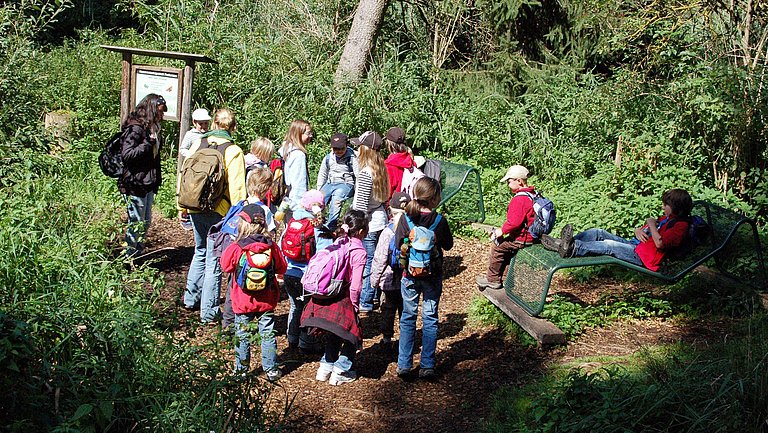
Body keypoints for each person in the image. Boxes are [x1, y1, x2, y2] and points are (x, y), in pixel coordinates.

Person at [182, 108, 247, 324]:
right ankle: (208, 311)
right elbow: (237, 189)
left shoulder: (197, 144)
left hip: (193, 206)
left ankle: (191, 299)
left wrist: (181, 205)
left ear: (214, 125)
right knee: (215, 260)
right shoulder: (233, 151)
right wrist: (240, 215)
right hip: (218, 210)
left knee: (199, 251)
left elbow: (184, 176)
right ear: (233, 127)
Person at [542, 189, 693, 271]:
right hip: (635, 246)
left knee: (609, 245)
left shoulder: (680, 226)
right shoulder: (667, 219)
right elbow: (644, 232)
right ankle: (563, 243)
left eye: (665, 205)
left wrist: (651, 224)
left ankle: (572, 248)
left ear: (675, 207)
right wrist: (638, 231)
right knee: (597, 232)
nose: (662, 207)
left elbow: (660, 243)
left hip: (642, 257)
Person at [393, 177, 453, 379]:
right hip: (432, 275)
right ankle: (427, 365)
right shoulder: (439, 220)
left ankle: (404, 364)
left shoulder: (406, 219)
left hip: (409, 275)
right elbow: (448, 245)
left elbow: (396, 245)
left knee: (408, 318)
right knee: (430, 318)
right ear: (435, 198)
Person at [300, 210, 368, 386]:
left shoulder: (340, 241)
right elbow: (356, 284)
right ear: (361, 232)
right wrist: (355, 304)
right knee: (354, 333)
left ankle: (326, 366)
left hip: (330, 292)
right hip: (344, 295)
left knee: (335, 330)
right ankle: (341, 369)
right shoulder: (358, 250)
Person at [220, 204, 287, 382]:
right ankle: (271, 370)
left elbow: (225, 265)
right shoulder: (271, 247)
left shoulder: (237, 247)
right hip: (267, 300)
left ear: (242, 225)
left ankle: (241, 370)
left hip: (242, 301)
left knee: (242, 335)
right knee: (267, 334)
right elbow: (282, 267)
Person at [220, 166, 277, 332]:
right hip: (257, 255)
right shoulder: (264, 210)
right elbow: (270, 234)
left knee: (234, 287)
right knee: (259, 285)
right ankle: (259, 321)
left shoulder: (240, 204)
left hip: (236, 252)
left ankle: (229, 325)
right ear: (267, 189)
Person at [118, 93, 167, 257]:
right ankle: (130, 258)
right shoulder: (136, 128)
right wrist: (147, 144)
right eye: (160, 111)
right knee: (136, 222)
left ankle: (137, 254)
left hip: (147, 182)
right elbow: (127, 155)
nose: (162, 115)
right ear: (152, 110)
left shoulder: (151, 128)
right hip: (135, 183)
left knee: (145, 222)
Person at [475, 165, 536, 290]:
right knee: (506, 250)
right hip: (531, 236)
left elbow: (514, 223)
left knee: (498, 248)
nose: (508, 185)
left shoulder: (520, 199)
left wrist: (500, 231)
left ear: (519, 181)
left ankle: (492, 280)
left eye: (509, 181)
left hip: (522, 238)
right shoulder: (532, 194)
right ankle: (506, 279)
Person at [350, 130, 390, 314]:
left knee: (368, 262)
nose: (357, 149)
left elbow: (360, 205)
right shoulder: (380, 168)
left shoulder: (367, 173)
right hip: (380, 218)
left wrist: (354, 226)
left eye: (359, 146)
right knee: (379, 259)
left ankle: (365, 299)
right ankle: (374, 295)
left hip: (369, 223)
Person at [282, 189, 326, 354]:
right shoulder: (314, 225)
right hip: (305, 275)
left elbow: (282, 244)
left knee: (294, 306)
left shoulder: (293, 220)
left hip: (289, 272)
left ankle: (292, 338)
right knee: (308, 307)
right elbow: (322, 250)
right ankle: (306, 343)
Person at [370, 192, 410, 347]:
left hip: (389, 280)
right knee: (405, 310)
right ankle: (407, 339)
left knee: (388, 310)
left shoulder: (388, 231)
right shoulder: (412, 229)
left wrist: (374, 280)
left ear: (390, 211)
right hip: (408, 278)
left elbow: (380, 258)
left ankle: (387, 339)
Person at [316, 133, 359, 231]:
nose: (338, 151)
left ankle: (331, 225)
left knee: (337, 198)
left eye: (341, 148)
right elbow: (322, 174)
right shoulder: (328, 158)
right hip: (330, 183)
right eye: (335, 149)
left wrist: (357, 192)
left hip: (346, 184)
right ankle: (317, 221)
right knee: (319, 199)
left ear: (346, 146)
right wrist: (319, 189)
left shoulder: (352, 157)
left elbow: (357, 175)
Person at [178, 108, 211, 229]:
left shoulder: (210, 134)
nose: (203, 126)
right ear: (194, 123)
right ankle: (188, 217)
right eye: (200, 124)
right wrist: (192, 156)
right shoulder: (191, 135)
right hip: (193, 169)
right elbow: (182, 149)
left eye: (205, 123)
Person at [278, 119, 313, 222]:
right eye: (308, 133)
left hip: (286, 199)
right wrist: (300, 207)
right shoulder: (298, 155)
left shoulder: (286, 149)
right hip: (295, 203)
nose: (311, 136)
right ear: (298, 133)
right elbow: (299, 182)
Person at [383, 127, 415, 199]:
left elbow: (387, 192)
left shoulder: (388, 166)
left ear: (389, 145)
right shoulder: (411, 160)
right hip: (411, 203)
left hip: (395, 205)